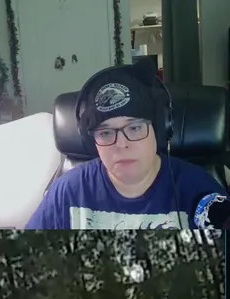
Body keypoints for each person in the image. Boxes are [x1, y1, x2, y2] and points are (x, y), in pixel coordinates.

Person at [26, 64, 225, 230]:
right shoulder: (67, 192)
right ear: (91, 141)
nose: (121, 144)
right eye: (106, 133)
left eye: (135, 128)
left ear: (158, 129)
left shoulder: (200, 191)